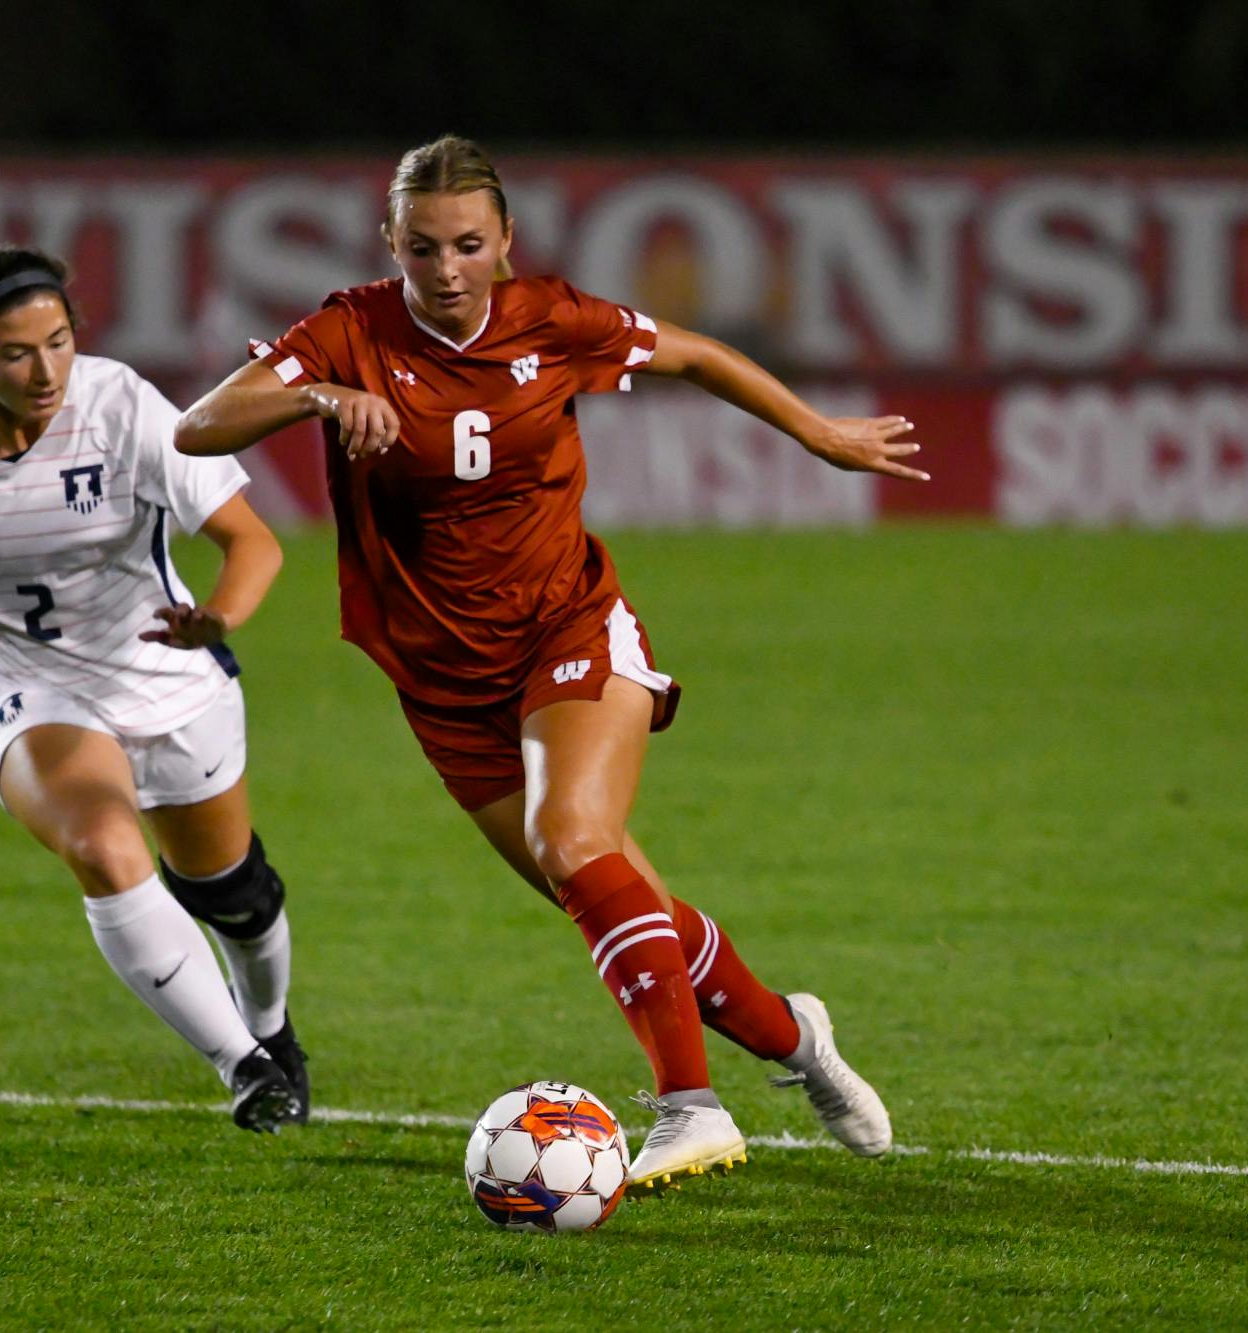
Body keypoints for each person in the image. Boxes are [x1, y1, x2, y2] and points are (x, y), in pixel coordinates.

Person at [176, 136, 924, 1193]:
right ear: (389, 241)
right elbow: (200, 425)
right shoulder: (349, 330)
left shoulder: (550, 318)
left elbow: (697, 354)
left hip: (567, 627)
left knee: (571, 837)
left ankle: (689, 1108)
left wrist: (816, 432)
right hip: (440, 678)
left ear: (505, 242)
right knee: (619, 898)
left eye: (467, 245)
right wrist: (316, 398)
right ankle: (797, 1040)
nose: (444, 270)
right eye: (422, 247)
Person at [0, 245, 308, 1132]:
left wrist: (218, 615)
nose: (46, 370)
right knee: (105, 847)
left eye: (59, 341)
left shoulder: (121, 406)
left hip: (167, 674)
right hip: (32, 688)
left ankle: (273, 1033)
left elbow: (255, 543)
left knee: (235, 895)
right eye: (17, 353)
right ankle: (246, 1067)